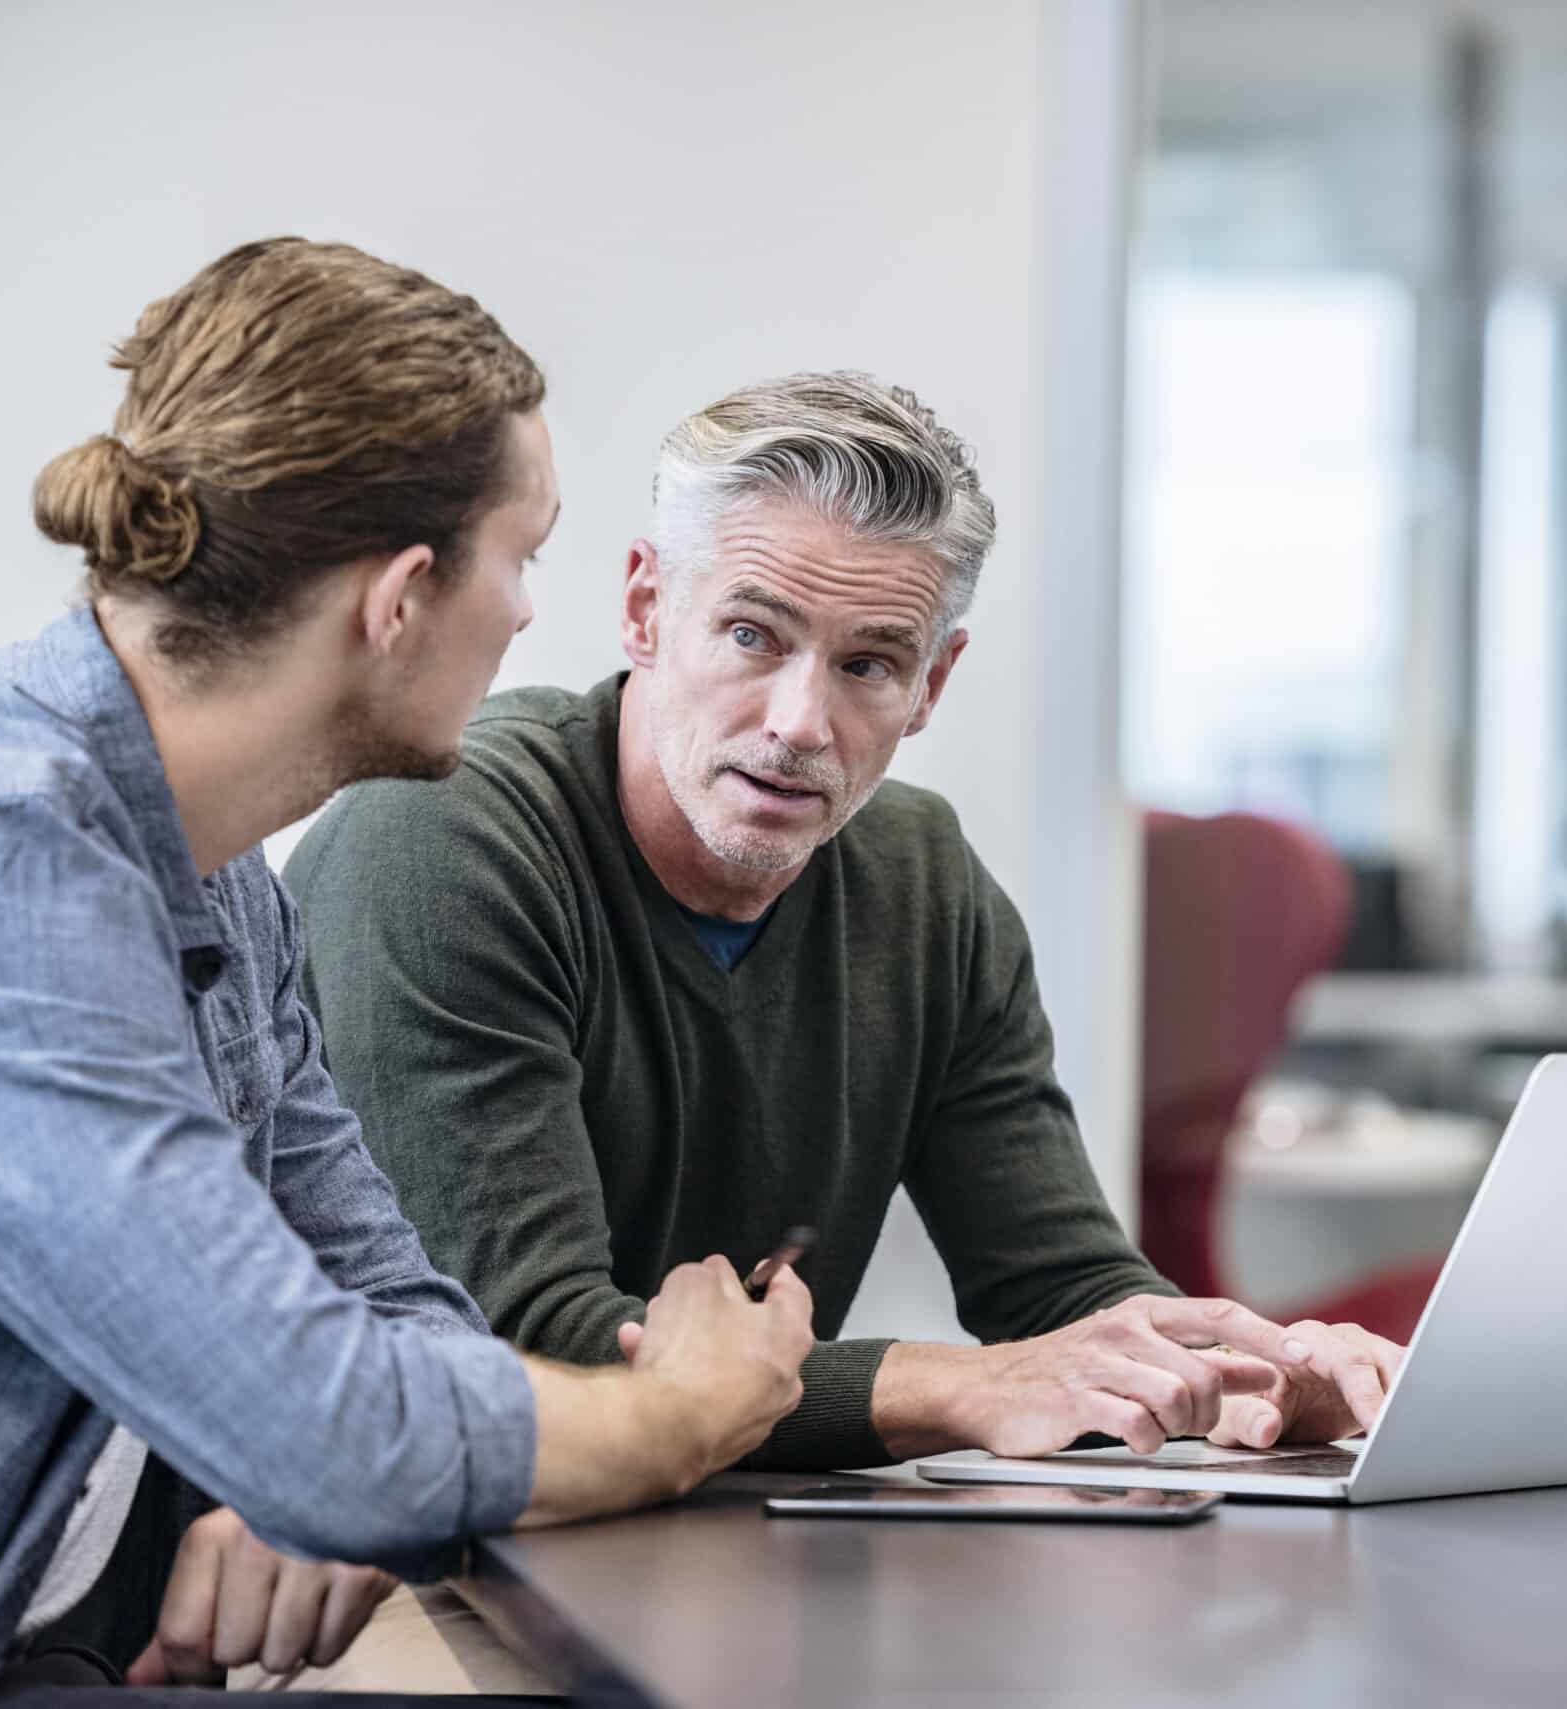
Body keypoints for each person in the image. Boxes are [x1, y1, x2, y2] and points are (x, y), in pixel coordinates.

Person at [0, 239, 811, 1705]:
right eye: (522, 554)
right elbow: (332, 1423)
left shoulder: (219, 881)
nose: (530, 612)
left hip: (19, 1655)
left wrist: (346, 1473)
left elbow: (384, 1313)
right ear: (399, 597)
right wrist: (689, 1407)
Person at [286, 371, 1403, 1486]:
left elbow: (1061, 1283)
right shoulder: (439, 842)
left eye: (868, 663)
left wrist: (1248, 1373)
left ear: (931, 681)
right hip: (387, 1549)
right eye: (750, 635)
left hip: (716, 1553)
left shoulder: (922, 882)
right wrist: (961, 1384)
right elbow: (516, 1343)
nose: (798, 724)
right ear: (644, 608)